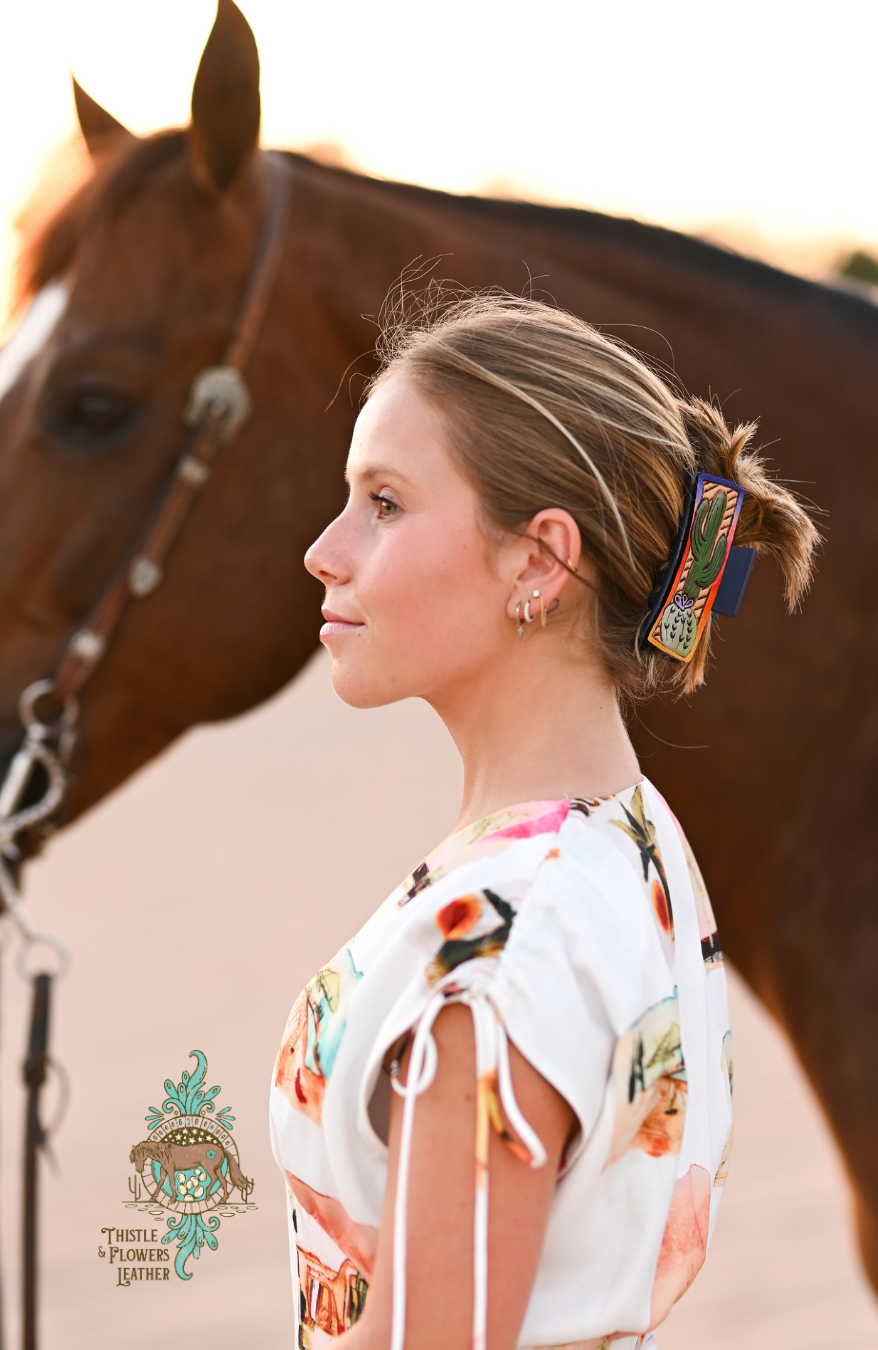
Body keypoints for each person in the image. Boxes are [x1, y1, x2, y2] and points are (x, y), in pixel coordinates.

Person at [269, 291, 819, 1350]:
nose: (324, 551)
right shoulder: (628, 839)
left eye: (384, 503)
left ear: (539, 561)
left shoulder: (502, 956)